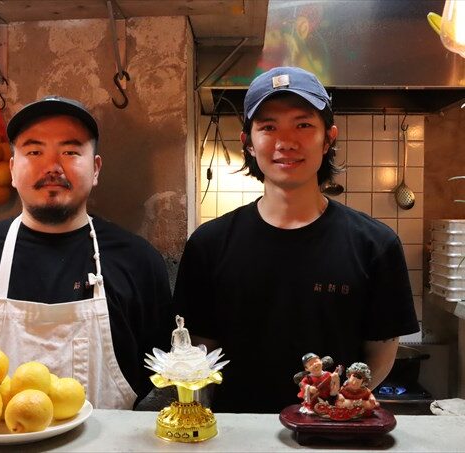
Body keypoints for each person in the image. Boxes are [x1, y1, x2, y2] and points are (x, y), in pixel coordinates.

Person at [172, 66, 419, 413]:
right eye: (268, 127)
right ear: (248, 142)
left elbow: (380, 354)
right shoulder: (208, 245)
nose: (286, 141)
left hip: (333, 435)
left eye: (303, 125)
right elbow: (199, 355)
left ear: (329, 136)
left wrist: (335, 406)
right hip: (235, 434)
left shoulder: (375, 245)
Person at [0, 95, 172, 409]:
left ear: (96, 168)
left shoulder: (140, 262)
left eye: (71, 151)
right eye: (34, 151)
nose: (52, 166)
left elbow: (155, 374)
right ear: (13, 168)